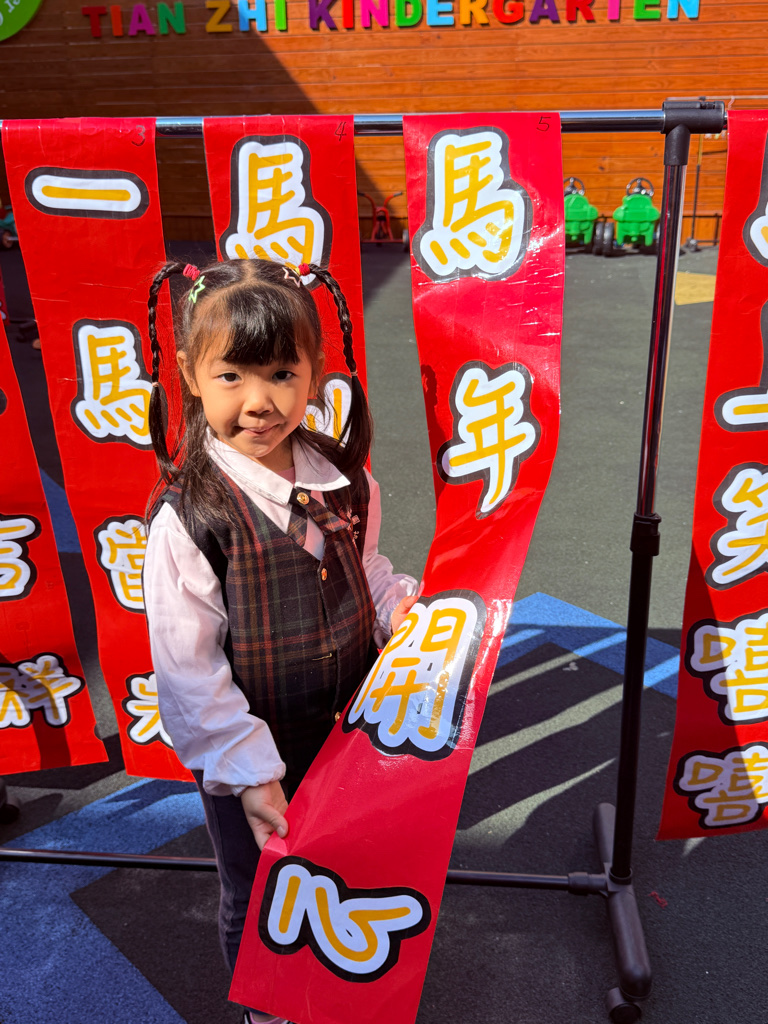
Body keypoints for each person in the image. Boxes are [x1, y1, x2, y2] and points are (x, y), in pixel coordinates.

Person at [142, 256, 418, 1024]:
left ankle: (336, 989)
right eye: (231, 376)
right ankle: (265, 1009)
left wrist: (400, 611)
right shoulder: (192, 514)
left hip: (346, 731)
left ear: (314, 374)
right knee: (258, 887)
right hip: (253, 753)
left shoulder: (344, 478)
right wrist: (250, 771)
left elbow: (366, 566)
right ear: (191, 376)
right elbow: (189, 668)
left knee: (341, 865)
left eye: (282, 375)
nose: (260, 402)